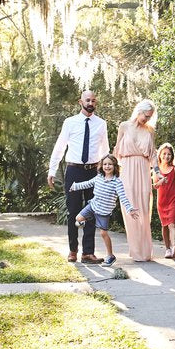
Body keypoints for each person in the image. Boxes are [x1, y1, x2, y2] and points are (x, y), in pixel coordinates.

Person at [47, 90, 109, 263]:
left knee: (92, 210)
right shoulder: (70, 122)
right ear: (80, 102)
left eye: (93, 100)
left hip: (93, 171)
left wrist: (106, 172)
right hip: (74, 171)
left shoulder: (101, 124)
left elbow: (105, 150)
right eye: (87, 100)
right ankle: (73, 250)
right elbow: (60, 147)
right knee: (73, 211)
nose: (90, 103)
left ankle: (88, 253)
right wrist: (52, 171)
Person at [69, 154, 140, 267]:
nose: (107, 166)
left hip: (104, 211)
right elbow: (87, 184)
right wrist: (75, 186)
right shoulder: (99, 178)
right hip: (93, 205)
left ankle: (110, 256)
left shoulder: (117, 182)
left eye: (110, 164)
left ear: (115, 166)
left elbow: (123, 197)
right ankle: (90, 218)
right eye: (105, 164)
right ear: (101, 166)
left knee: (103, 233)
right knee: (78, 218)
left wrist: (129, 209)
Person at [114, 99, 157, 261]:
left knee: (144, 209)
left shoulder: (150, 130)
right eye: (146, 115)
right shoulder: (124, 126)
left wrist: (157, 172)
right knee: (130, 209)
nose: (147, 119)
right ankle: (135, 250)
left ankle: (145, 251)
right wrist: (111, 173)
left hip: (144, 170)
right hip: (127, 170)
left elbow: (153, 154)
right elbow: (117, 151)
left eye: (150, 116)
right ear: (139, 112)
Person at [152, 142, 175, 259]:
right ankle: (167, 249)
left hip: (172, 200)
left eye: (169, 154)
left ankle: (174, 247)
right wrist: (161, 181)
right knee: (164, 226)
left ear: (172, 156)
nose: (166, 156)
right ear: (160, 155)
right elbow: (155, 186)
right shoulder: (156, 170)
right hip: (161, 202)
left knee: (171, 224)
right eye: (164, 154)